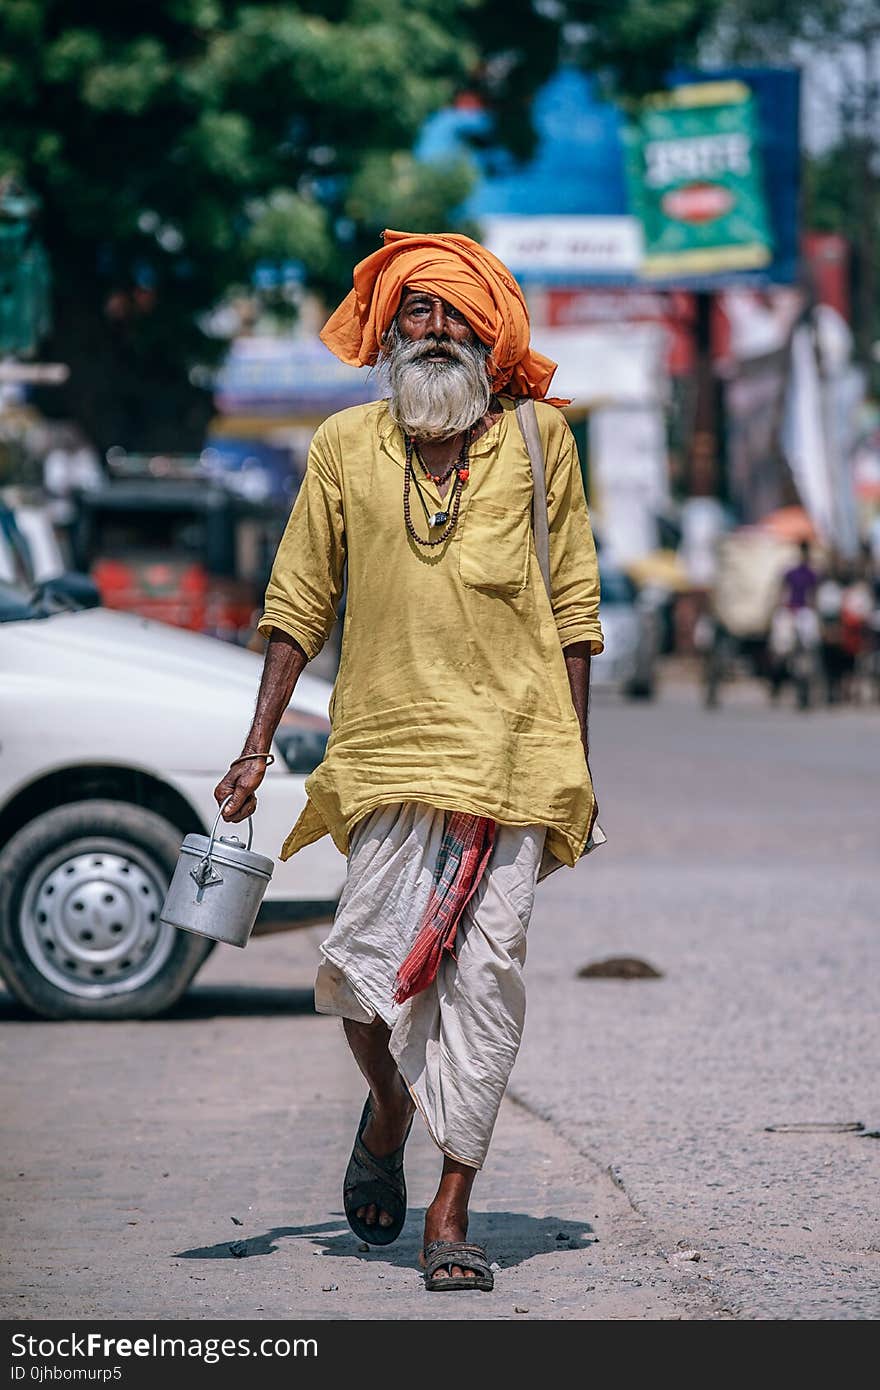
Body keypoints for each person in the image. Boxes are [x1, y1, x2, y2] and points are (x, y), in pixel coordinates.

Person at [214, 229, 604, 1293]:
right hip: (386, 744)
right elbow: (297, 596)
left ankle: (450, 1207)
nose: (431, 331)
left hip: (515, 750)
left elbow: (574, 602)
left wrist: (575, 754)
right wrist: (256, 744)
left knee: (486, 980)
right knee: (358, 976)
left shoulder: (537, 440)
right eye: (413, 314)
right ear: (387, 333)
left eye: (452, 315)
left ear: (489, 333)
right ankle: (389, 1106)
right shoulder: (345, 444)